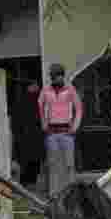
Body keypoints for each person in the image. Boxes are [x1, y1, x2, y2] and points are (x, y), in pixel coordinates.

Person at [38, 63, 83, 199]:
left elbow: (79, 108)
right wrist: (44, 124)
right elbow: (40, 107)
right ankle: (54, 195)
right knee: (53, 165)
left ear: (62, 76)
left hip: (67, 132)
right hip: (52, 133)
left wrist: (75, 127)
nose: (56, 78)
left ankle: (70, 194)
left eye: (58, 75)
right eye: (53, 76)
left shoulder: (70, 90)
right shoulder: (46, 91)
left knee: (69, 164)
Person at [15, 82, 45, 189]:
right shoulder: (35, 101)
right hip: (30, 137)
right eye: (34, 86)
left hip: (30, 137)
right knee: (30, 163)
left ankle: (27, 184)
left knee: (30, 162)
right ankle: (27, 184)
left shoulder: (22, 101)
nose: (36, 88)